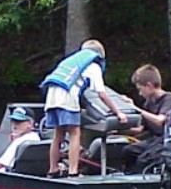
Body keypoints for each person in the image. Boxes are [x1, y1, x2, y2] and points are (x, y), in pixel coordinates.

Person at [40, 39, 128, 178]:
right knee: (75, 132)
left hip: (52, 95)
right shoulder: (93, 65)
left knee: (59, 134)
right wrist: (118, 113)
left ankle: (53, 169)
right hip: (67, 96)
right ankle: (73, 172)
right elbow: (101, 93)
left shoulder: (70, 61)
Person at [120, 63, 171, 173]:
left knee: (144, 159)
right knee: (128, 151)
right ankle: (128, 176)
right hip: (154, 141)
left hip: (168, 141)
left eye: (140, 89)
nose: (139, 93)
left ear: (149, 86)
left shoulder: (169, 98)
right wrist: (118, 128)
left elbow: (159, 120)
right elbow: (139, 130)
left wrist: (135, 108)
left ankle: (142, 181)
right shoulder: (148, 103)